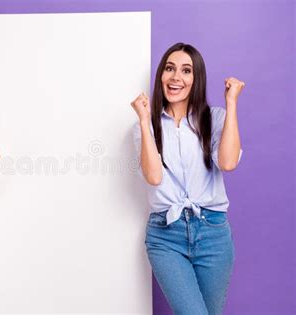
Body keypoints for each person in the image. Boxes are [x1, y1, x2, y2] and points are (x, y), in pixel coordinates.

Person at [130, 43, 244, 314]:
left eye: (186, 70)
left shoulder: (214, 119)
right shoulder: (144, 126)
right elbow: (154, 176)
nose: (175, 77)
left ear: (196, 79)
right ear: (161, 75)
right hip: (166, 235)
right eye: (169, 69)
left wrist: (231, 103)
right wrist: (145, 121)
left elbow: (228, 162)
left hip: (213, 233)